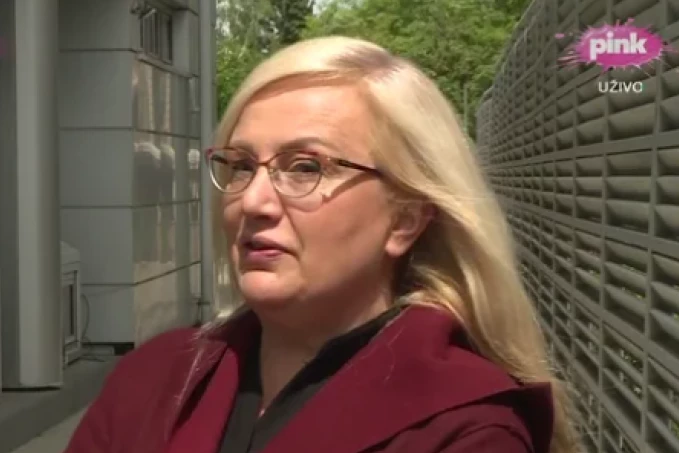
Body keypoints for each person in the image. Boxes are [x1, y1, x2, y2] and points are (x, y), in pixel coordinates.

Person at [64, 36, 581, 453]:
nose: (254, 201)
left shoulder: (466, 430)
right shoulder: (153, 379)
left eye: (306, 167)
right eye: (241, 166)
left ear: (405, 219)